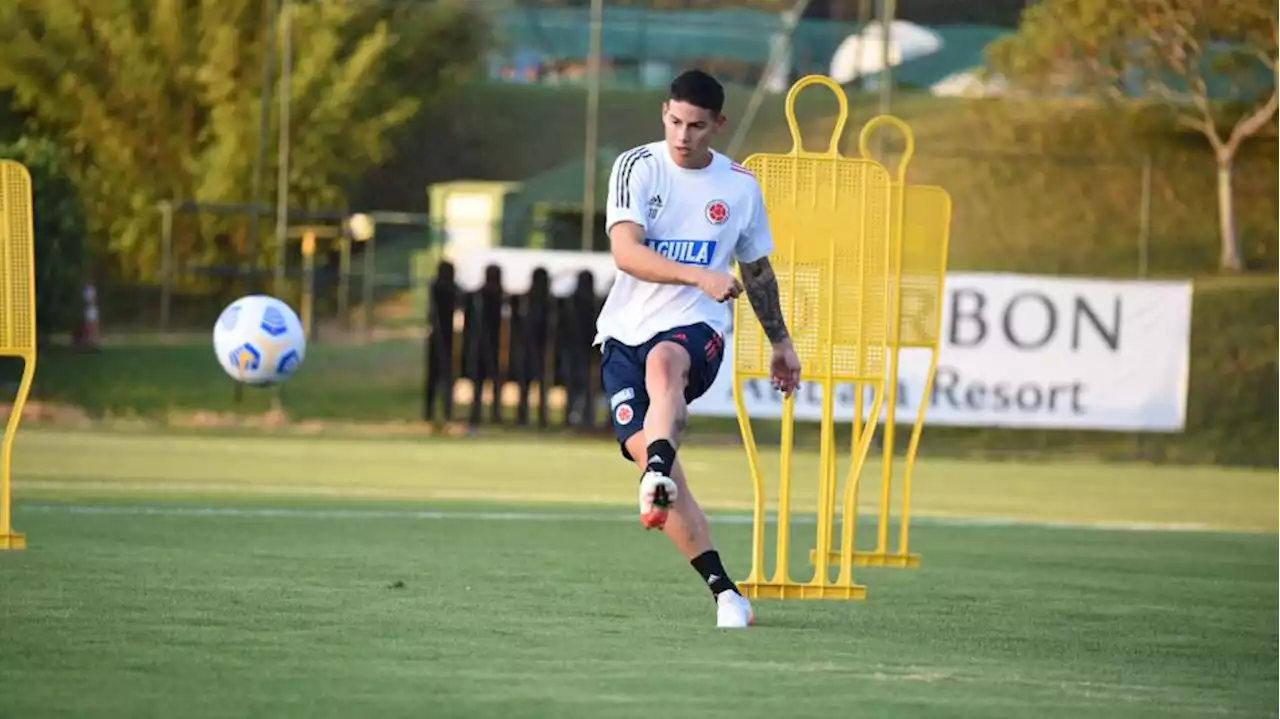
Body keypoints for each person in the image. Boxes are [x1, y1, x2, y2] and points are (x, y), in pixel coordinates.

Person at [595, 69, 801, 629]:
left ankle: (656, 467)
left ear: (718, 125)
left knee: (667, 364)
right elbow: (626, 254)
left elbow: (756, 271)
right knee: (660, 478)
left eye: (696, 126)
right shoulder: (637, 167)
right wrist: (699, 273)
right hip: (622, 335)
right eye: (675, 121)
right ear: (664, 112)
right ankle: (725, 592)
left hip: (697, 328)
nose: (683, 135)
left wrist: (780, 341)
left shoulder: (738, 186)